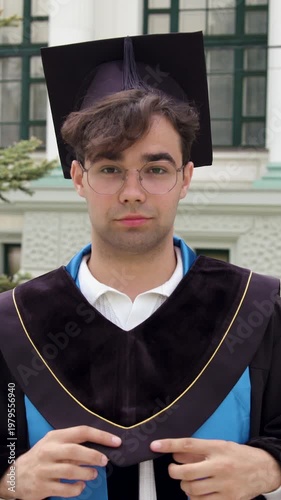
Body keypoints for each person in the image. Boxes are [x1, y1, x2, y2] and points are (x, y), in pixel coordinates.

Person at [0, 31, 281, 500]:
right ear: (78, 178)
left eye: (156, 169)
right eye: (110, 169)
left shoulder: (257, 309)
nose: (133, 191)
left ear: (186, 178)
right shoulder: (15, 325)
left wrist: (271, 467)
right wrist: (10, 481)